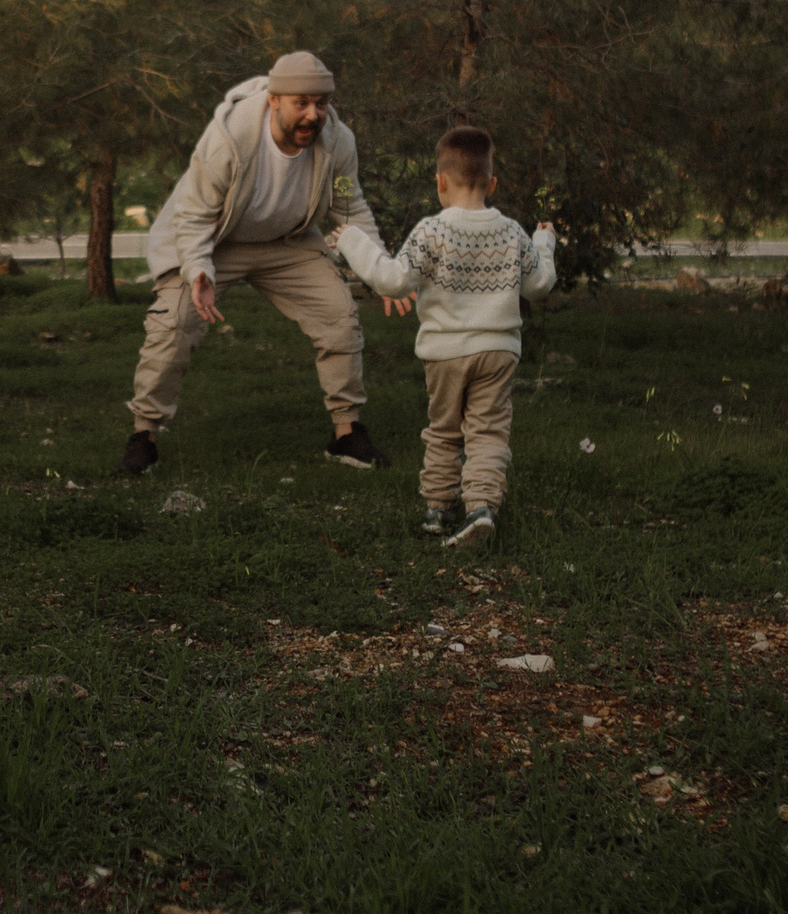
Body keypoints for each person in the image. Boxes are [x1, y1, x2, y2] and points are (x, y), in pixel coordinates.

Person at [119, 50, 405, 475]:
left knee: (340, 317)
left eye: (321, 104)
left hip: (286, 242)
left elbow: (349, 206)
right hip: (215, 239)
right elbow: (194, 214)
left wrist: (381, 271)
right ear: (274, 99)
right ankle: (144, 436)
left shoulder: (338, 142)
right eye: (301, 104)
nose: (313, 115)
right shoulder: (228, 138)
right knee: (174, 321)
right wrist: (198, 270)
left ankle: (347, 434)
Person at [332, 125, 556, 548]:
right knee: (488, 431)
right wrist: (545, 241)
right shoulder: (512, 232)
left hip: (444, 353)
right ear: (492, 183)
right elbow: (539, 285)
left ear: (440, 182)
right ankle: (482, 508)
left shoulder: (432, 231)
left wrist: (351, 239)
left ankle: (437, 509)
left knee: (444, 429)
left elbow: (391, 280)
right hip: (498, 350)